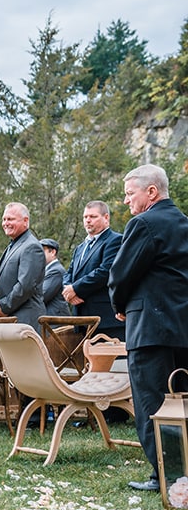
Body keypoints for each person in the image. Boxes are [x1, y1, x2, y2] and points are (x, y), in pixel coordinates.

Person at [108, 164, 188, 493]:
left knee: (151, 404)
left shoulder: (143, 223)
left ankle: (164, 476)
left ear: (151, 192)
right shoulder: (185, 223)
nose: (127, 202)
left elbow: (120, 274)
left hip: (149, 329)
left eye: (130, 194)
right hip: (183, 330)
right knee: (183, 402)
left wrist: (120, 306)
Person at [63, 201, 124, 340]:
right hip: (81, 316)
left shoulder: (115, 240)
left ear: (106, 218)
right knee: (87, 362)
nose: (88, 220)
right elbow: (69, 273)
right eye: (85, 217)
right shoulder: (80, 247)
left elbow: (105, 271)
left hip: (104, 318)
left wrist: (76, 288)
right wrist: (68, 290)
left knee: (110, 361)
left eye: (93, 216)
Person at [0, 202, 45, 329]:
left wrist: (5, 307)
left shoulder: (31, 247)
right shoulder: (14, 244)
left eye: (10, 219)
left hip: (25, 319)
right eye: (4, 219)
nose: (5, 223)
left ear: (25, 221)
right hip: (13, 318)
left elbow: (25, 286)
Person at [40, 238, 69, 317]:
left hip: (55, 322)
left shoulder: (56, 271)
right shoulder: (47, 270)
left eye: (42, 251)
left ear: (53, 252)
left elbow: (42, 296)